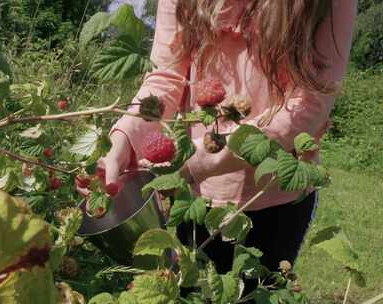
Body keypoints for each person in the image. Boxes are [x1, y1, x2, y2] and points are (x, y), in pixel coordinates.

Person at [84, 0, 356, 295]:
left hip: (274, 196)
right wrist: (127, 136)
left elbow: (311, 102)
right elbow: (167, 75)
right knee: (190, 289)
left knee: (252, 294)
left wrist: (199, 161)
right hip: (195, 194)